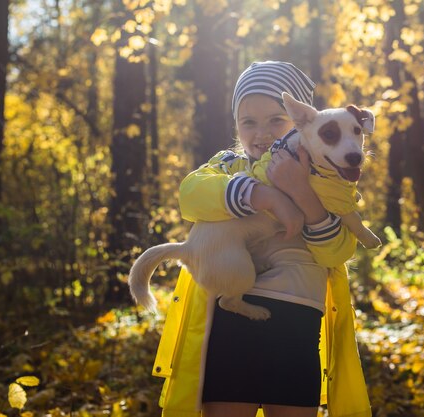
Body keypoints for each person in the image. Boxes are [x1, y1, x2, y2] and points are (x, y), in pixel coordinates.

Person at [151, 61, 371, 417]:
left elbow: (337, 253)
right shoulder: (229, 165)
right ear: (236, 126)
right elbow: (189, 196)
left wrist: (302, 192)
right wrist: (263, 196)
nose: (261, 133)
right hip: (229, 325)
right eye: (247, 121)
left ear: (304, 124)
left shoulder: (331, 180)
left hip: (298, 325)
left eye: (275, 120)